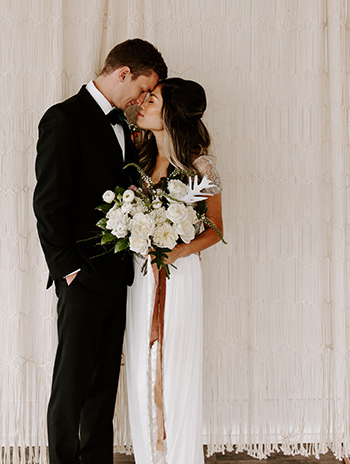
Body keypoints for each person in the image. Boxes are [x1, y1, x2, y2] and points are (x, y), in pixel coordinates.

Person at [33, 39, 167, 464]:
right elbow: (48, 203)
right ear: (123, 73)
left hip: (116, 276)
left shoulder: (125, 127)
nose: (143, 99)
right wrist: (69, 271)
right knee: (70, 387)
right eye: (144, 89)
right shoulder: (63, 119)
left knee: (103, 386)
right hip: (81, 276)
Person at [124, 77, 224, 464]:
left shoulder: (200, 165)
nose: (143, 103)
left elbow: (216, 229)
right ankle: (149, 457)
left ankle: (179, 455)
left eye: (152, 99)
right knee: (141, 365)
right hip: (141, 277)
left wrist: (179, 250)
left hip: (178, 276)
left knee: (174, 365)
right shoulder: (141, 159)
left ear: (172, 113)